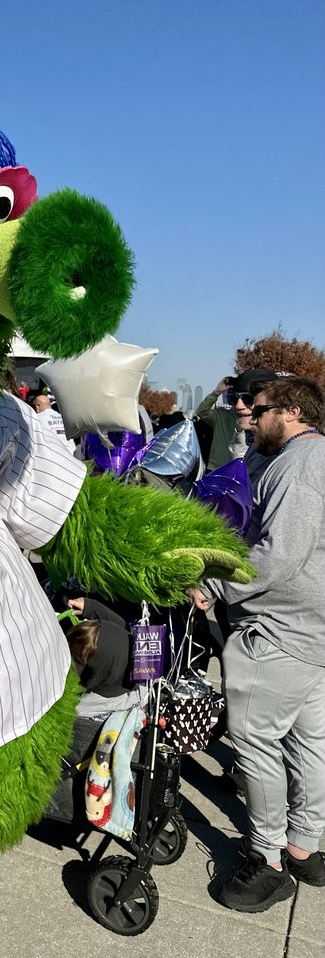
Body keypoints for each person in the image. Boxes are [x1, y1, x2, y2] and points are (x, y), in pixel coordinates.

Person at [192, 376, 325, 912]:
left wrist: (214, 586)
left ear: (292, 412)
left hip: (277, 630)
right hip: (310, 631)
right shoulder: (309, 460)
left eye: (260, 407)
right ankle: (304, 846)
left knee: (255, 742)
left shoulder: (299, 465)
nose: (249, 413)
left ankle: (267, 859)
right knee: (308, 742)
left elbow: (277, 555)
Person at [195, 368, 275, 471]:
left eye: (248, 399)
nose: (239, 405)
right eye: (233, 399)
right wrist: (216, 392)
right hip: (217, 467)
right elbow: (201, 411)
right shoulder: (221, 415)